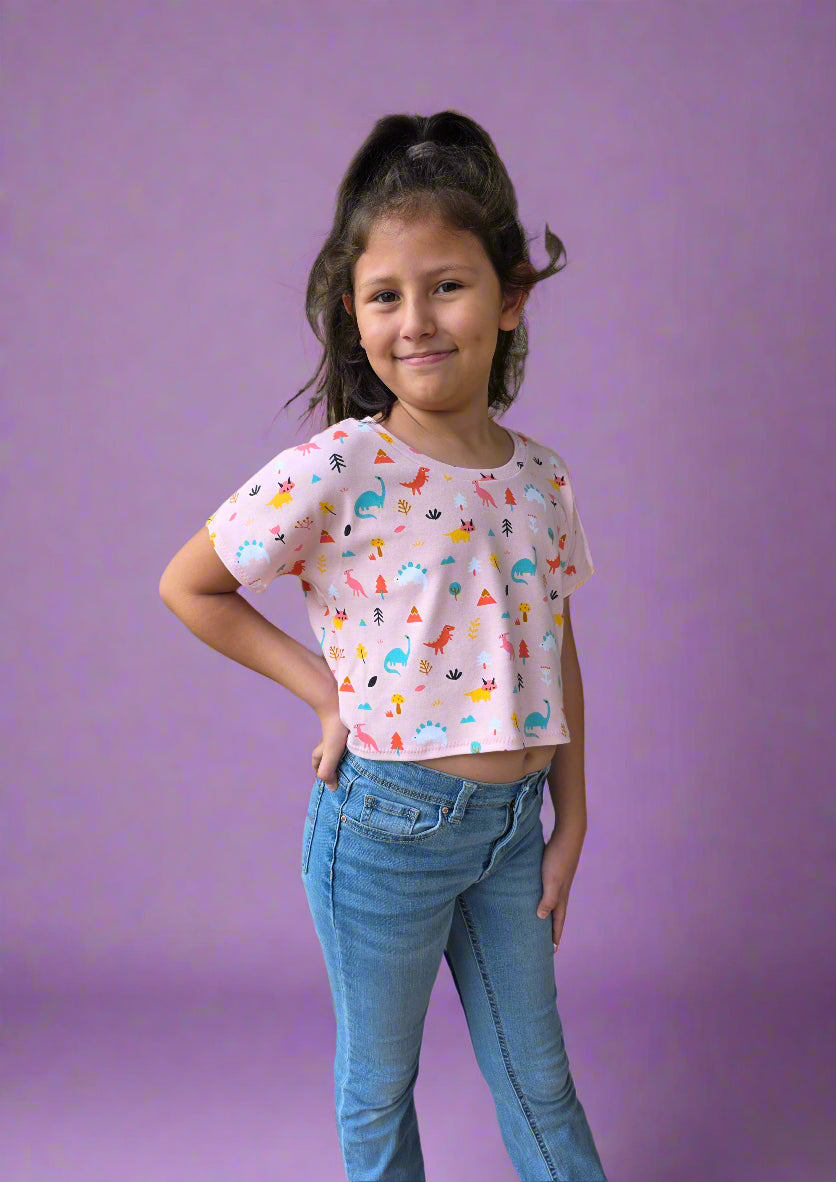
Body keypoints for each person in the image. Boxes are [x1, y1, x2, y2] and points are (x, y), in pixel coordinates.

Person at [159, 110, 606, 1182]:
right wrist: (324, 693)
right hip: (383, 832)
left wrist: (573, 815)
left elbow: (551, 641)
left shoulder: (540, 477)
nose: (416, 320)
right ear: (352, 314)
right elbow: (190, 585)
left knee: (539, 1079)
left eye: (446, 285)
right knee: (378, 1083)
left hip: (511, 831)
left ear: (510, 296)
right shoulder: (340, 466)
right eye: (383, 296)